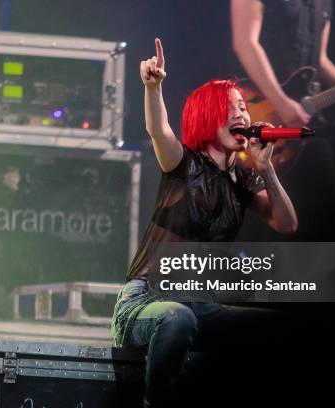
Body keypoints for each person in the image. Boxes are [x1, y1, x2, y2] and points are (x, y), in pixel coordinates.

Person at [111, 38, 298, 408]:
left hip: (201, 305)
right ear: (209, 116)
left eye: (244, 108)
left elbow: (286, 223)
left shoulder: (243, 182)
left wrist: (266, 169)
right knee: (177, 319)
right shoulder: (183, 165)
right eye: (232, 108)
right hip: (149, 301)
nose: (243, 116)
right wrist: (153, 87)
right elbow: (159, 131)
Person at [230, 0, 335, 240]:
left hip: (303, 119)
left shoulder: (323, 3)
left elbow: (318, 60)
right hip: (259, 109)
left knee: (322, 212)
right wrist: (280, 101)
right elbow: (245, 43)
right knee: (262, 219)